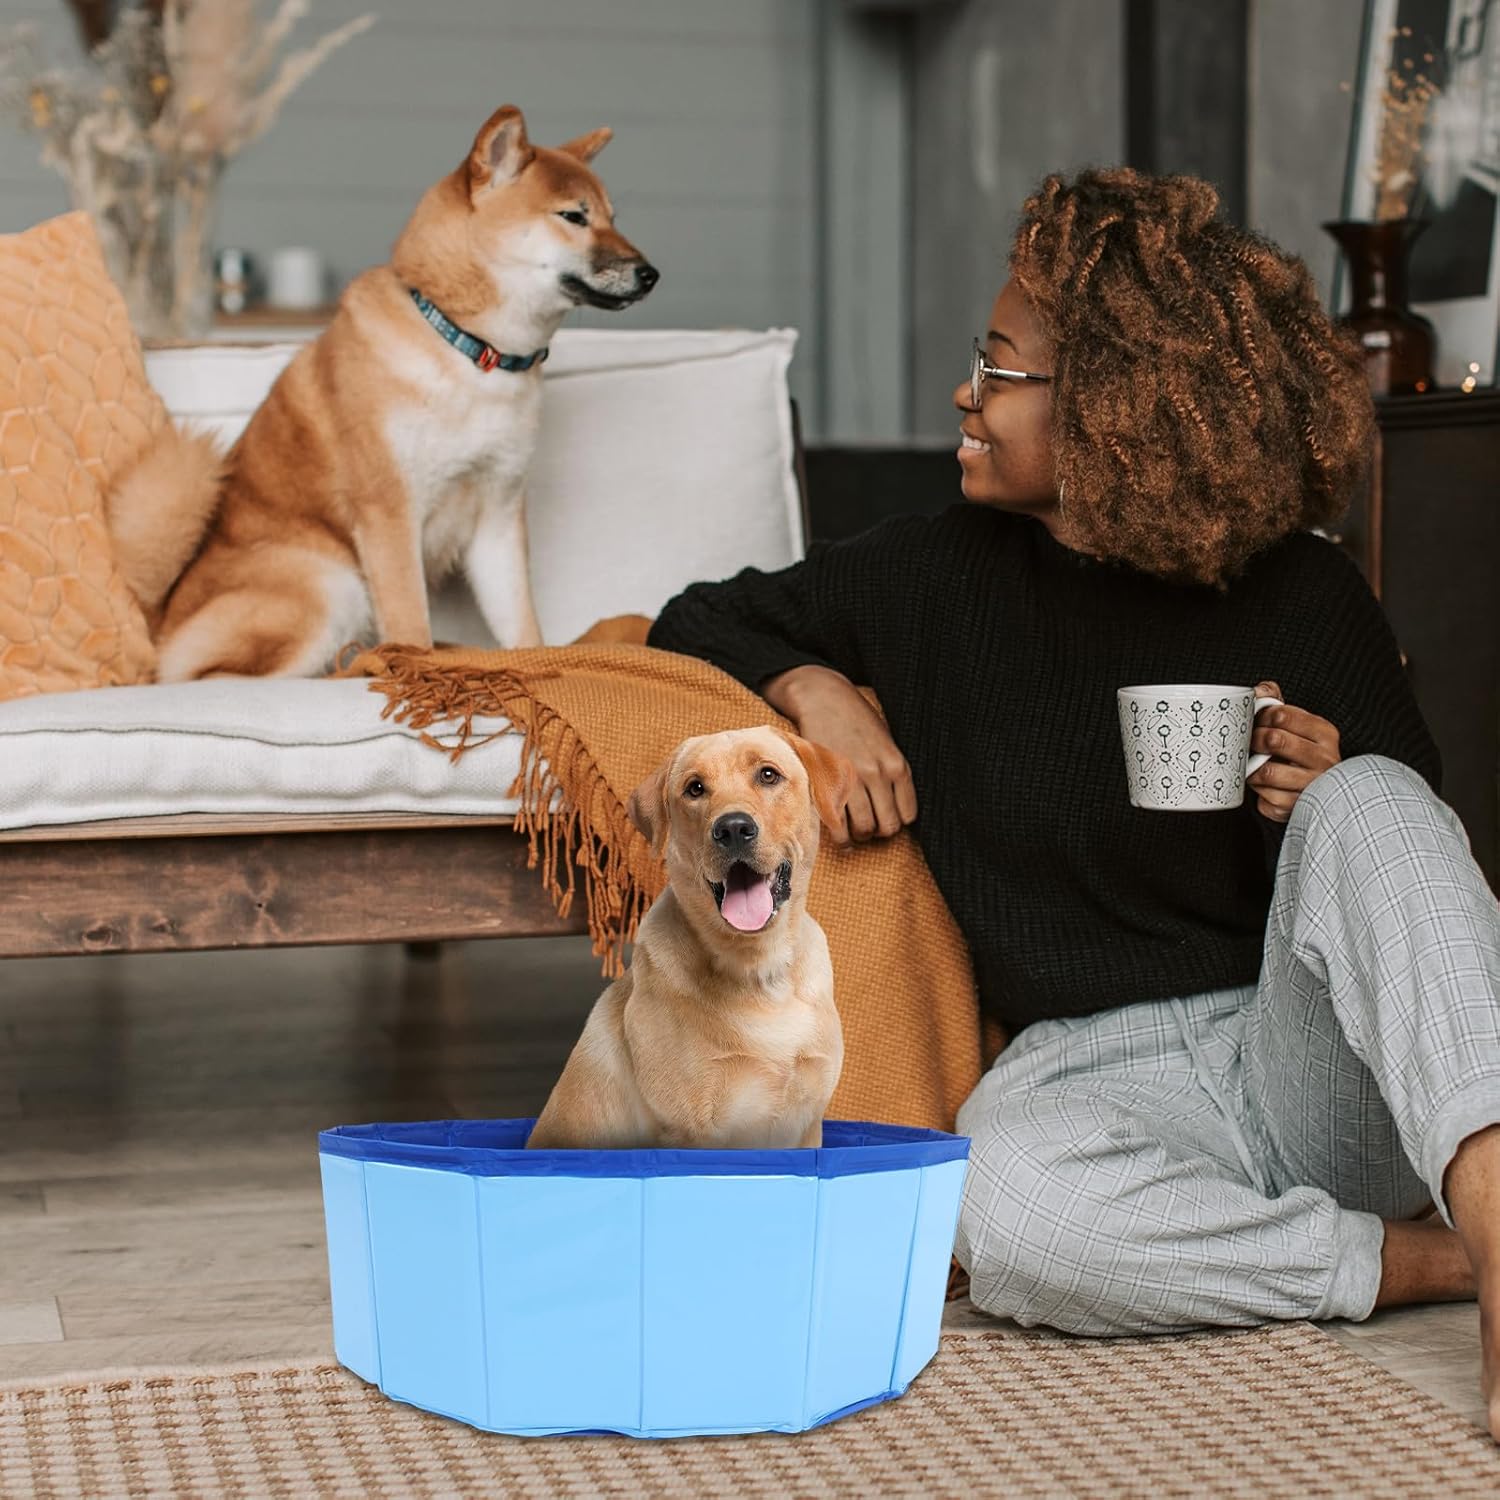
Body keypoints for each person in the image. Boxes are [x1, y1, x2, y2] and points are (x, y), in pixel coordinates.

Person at [647, 168, 1500, 1438]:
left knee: (1371, 803)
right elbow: (695, 619)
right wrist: (817, 687)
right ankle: (1420, 1261)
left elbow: (1419, 859)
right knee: (1009, 1215)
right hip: (1088, 1073)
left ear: (1113, 407)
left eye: (997, 370)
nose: (964, 396)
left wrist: (1320, 787)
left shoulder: (1299, 594)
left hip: (1306, 1042)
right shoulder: (929, 574)